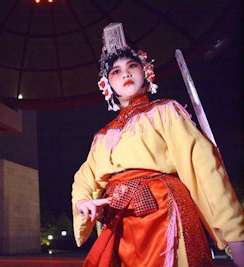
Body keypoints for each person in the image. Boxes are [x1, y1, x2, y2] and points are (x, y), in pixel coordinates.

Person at [71, 22, 244, 267]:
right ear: (107, 85)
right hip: (119, 219)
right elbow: (84, 178)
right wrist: (82, 202)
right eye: (116, 72)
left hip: (163, 212)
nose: (126, 74)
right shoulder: (103, 135)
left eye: (132, 66)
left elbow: (204, 169)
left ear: (147, 72)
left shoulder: (165, 111)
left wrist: (234, 234)